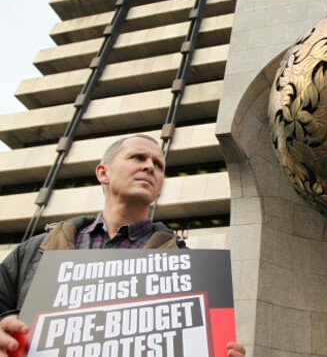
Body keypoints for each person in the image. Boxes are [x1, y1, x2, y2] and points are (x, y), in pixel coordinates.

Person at [0, 134, 245, 357]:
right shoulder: (37, 249)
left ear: (158, 188)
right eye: (138, 157)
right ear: (103, 173)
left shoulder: (188, 268)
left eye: (158, 165)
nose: (150, 166)